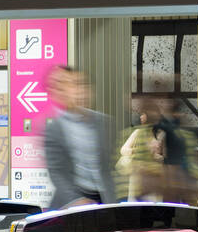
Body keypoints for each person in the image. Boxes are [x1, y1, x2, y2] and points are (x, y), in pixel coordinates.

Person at [42, 65, 120, 209]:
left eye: (84, 85)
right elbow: (57, 172)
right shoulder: (54, 129)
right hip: (72, 203)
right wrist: (76, 200)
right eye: (75, 86)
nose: (80, 91)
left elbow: (110, 165)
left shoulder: (105, 123)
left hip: (104, 198)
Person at [153, 95, 198, 206]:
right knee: (173, 200)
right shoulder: (167, 130)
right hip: (174, 171)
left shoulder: (181, 133)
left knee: (174, 201)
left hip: (179, 172)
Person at [118, 98, 165, 201]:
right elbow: (123, 149)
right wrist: (135, 151)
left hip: (154, 178)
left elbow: (164, 157)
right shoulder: (137, 132)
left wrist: (156, 157)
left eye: (143, 114)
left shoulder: (161, 134)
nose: (141, 116)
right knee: (135, 207)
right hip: (138, 178)